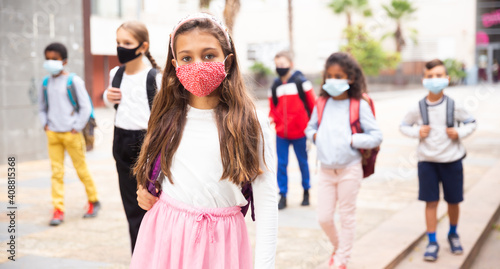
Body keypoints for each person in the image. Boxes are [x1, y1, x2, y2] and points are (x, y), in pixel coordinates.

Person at [130, 13, 278, 269]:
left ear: (228, 61)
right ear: (176, 65)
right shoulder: (166, 115)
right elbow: (156, 170)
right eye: (186, 58)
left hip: (221, 245)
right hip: (164, 235)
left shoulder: (252, 124)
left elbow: (266, 206)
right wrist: (144, 191)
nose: (197, 65)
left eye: (209, 55)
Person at [305, 52, 382, 269]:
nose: (333, 80)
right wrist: (316, 136)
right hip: (327, 171)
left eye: (339, 76)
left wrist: (352, 139)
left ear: (350, 78)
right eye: (329, 75)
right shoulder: (321, 103)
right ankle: (340, 247)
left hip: (350, 169)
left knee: (347, 216)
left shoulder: (359, 105)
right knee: (324, 218)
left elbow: (376, 135)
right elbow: (309, 128)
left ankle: (341, 260)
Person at [400, 59, 477, 262]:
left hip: (452, 161)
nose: (435, 80)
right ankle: (432, 240)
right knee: (431, 202)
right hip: (427, 162)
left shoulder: (454, 105)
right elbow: (403, 126)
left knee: (453, 201)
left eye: (439, 75)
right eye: (430, 76)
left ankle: (453, 234)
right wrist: (417, 131)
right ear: (424, 79)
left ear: (447, 78)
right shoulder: (418, 107)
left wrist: (458, 132)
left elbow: (471, 122)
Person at [102, 21, 161, 253]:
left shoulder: (154, 77)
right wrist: (108, 97)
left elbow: (162, 117)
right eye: (118, 43)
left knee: (150, 205)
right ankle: (139, 256)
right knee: (130, 206)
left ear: (142, 46)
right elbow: (113, 105)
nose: (121, 47)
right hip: (121, 142)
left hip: (147, 143)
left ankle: (156, 255)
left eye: (127, 43)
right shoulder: (115, 74)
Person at [38, 42, 100, 226]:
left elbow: (85, 107)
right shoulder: (45, 83)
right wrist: (45, 125)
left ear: (64, 61)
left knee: (81, 170)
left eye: (54, 59)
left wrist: (76, 127)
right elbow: (42, 107)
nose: (51, 62)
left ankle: (93, 201)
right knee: (56, 173)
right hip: (53, 135)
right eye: (48, 59)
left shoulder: (74, 81)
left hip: (72, 134)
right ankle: (58, 210)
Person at [269, 50, 316, 210]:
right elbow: (272, 109)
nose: (279, 67)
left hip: (300, 133)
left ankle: (306, 191)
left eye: (282, 64)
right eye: (277, 65)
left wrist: (311, 127)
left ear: (290, 64)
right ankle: (282, 195)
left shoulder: (302, 83)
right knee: (281, 164)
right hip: (282, 134)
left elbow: (313, 106)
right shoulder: (274, 86)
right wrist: (273, 121)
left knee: (303, 163)